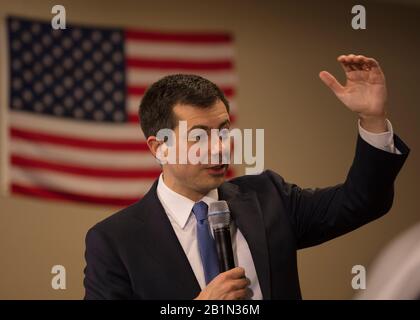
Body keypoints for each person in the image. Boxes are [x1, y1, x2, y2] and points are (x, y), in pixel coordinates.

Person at [83, 54, 409, 300]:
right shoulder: (114, 241)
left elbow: (362, 202)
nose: (219, 148)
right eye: (199, 137)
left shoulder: (268, 198)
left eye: (223, 131)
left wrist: (372, 118)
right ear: (160, 148)